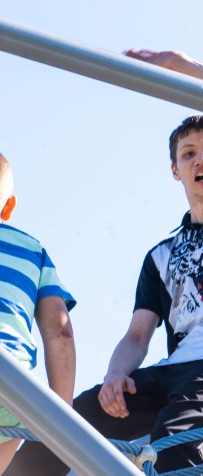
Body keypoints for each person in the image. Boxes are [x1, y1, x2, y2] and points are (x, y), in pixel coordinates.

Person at [7, 50, 203, 475]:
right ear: (175, 170)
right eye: (188, 154)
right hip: (171, 371)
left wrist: (182, 66)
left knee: (171, 442)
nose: (201, 160)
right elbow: (137, 335)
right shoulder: (161, 256)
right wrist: (116, 375)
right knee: (64, 428)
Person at [0, 154, 77, 474]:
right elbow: (60, 333)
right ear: (8, 207)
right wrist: (61, 416)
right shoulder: (33, 250)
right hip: (14, 386)